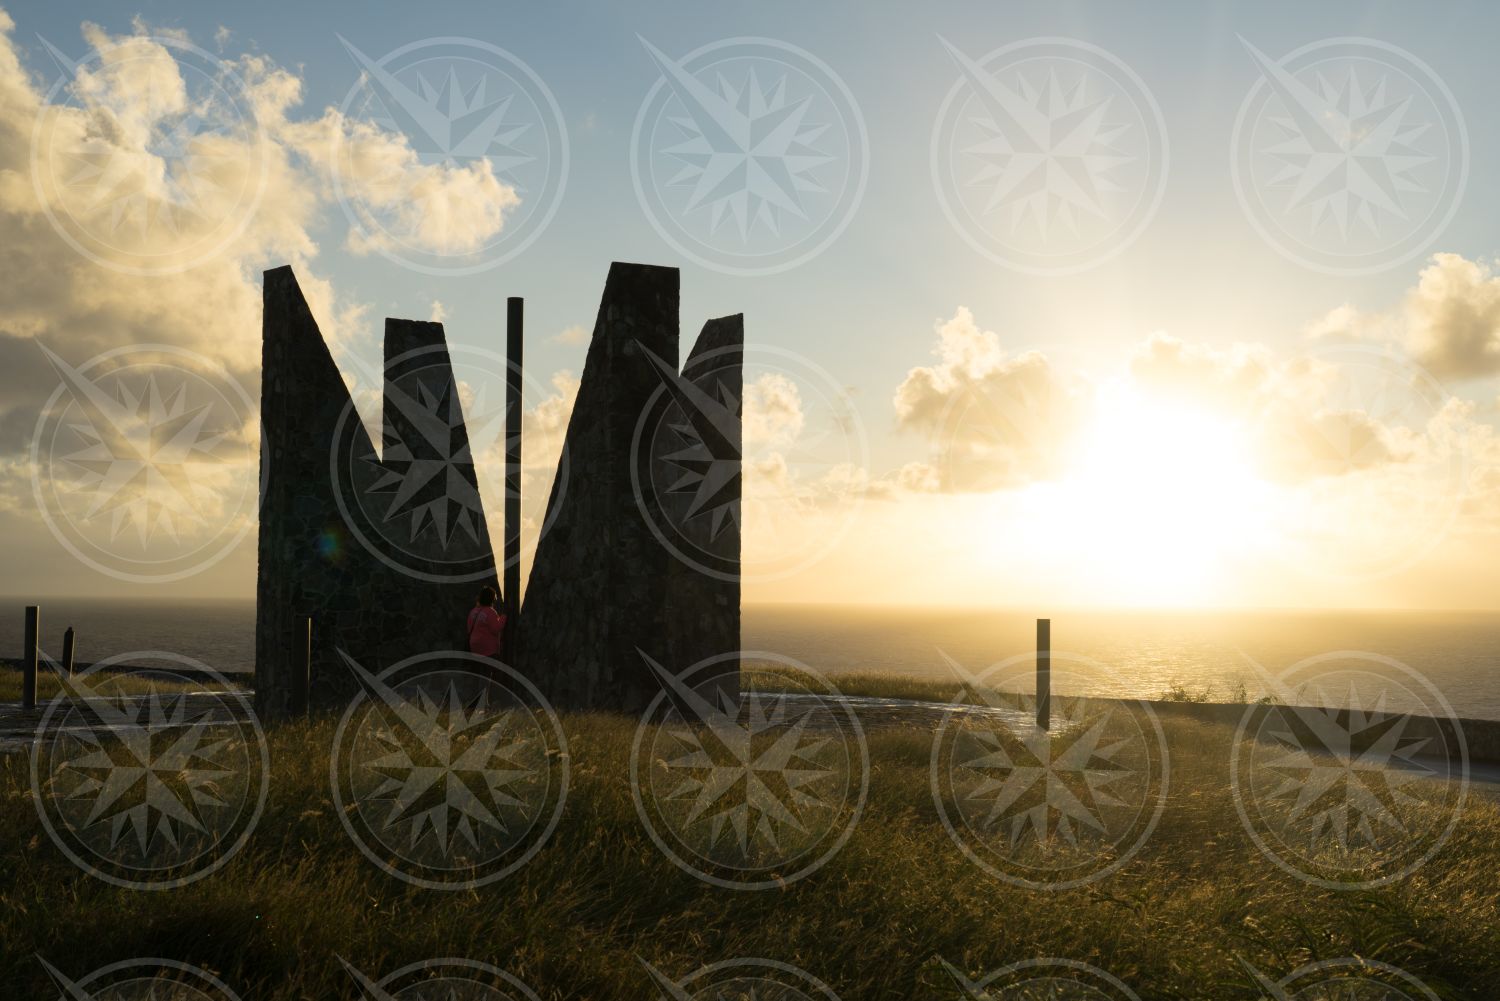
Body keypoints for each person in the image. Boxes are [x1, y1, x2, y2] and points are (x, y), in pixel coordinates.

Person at [467, 585, 506, 659]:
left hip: (474, 647)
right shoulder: (490, 612)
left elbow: (469, 629)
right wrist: (503, 617)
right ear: (491, 599)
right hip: (488, 649)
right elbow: (496, 629)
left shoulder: (473, 611)